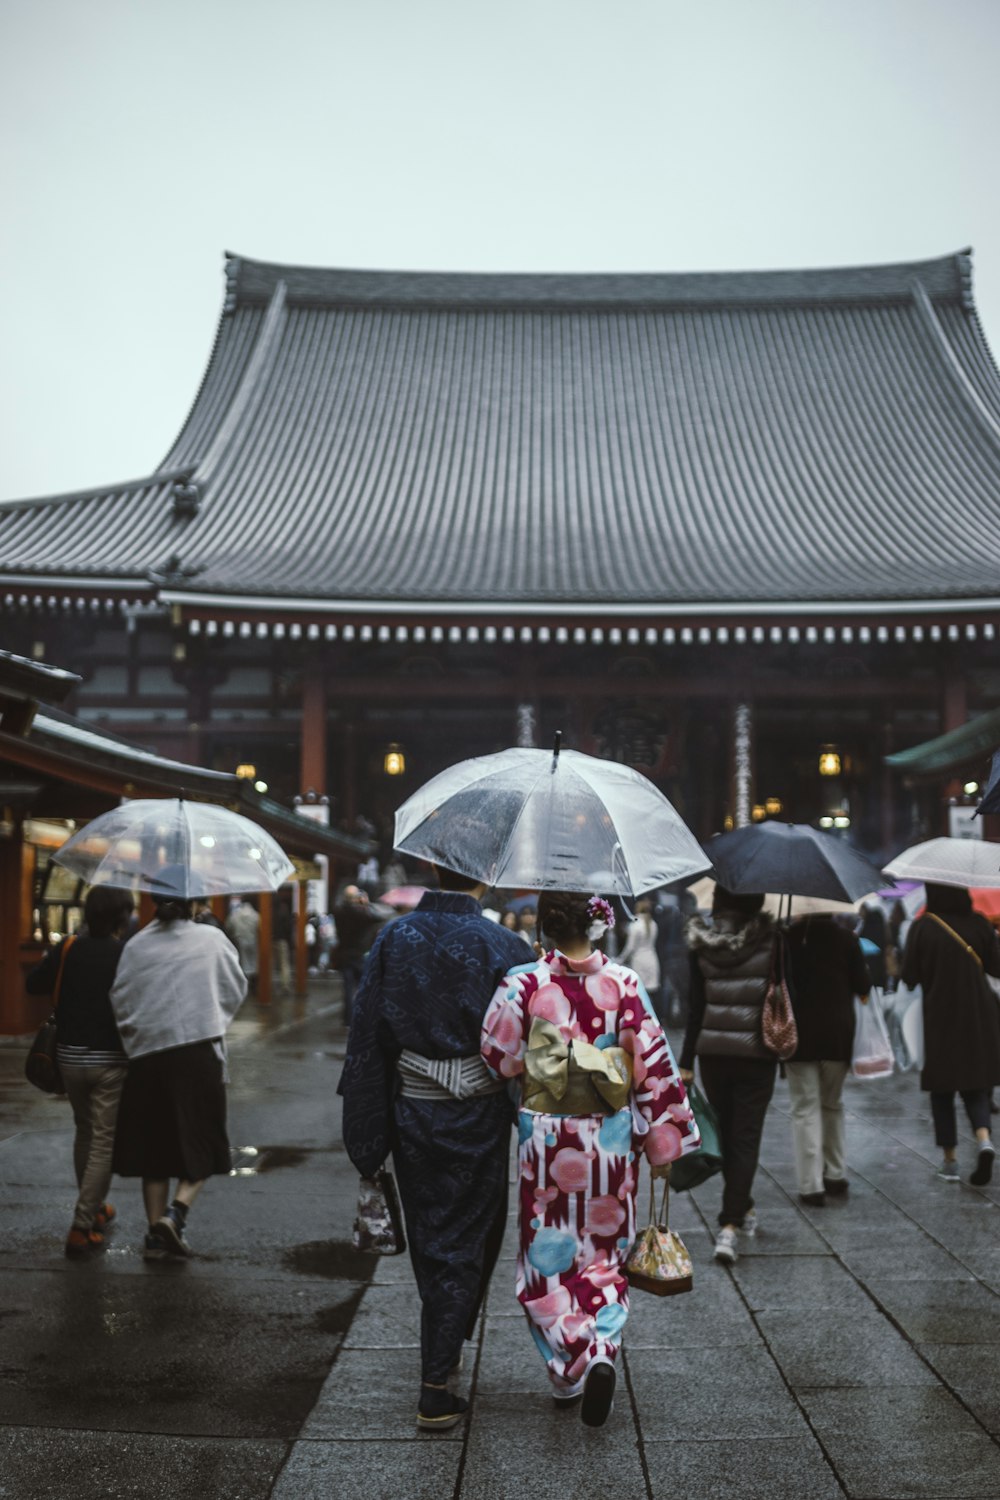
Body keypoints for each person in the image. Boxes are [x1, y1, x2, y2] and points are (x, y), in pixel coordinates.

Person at [480, 892, 700, 1428]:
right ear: (599, 922)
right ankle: (599, 1350)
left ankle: (570, 1360)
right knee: (602, 1255)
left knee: (544, 1260)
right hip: (610, 1139)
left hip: (548, 1142)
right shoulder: (625, 984)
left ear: (545, 926)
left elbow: (499, 1060)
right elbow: (652, 1063)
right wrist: (662, 1141)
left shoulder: (524, 982)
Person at [339, 862, 528, 1432]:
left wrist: (365, 1131)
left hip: (413, 1109)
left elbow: (366, 1031)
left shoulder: (392, 937)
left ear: (432, 872)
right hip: (479, 1111)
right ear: (484, 878)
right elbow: (531, 1036)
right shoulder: (507, 944)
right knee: (471, 1232)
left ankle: (442, 1348)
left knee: (430, 1234)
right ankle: (436, 1382)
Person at [110, 876, 248, 1260]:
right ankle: (176, 1213)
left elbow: (120, 995)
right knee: (202, 1138)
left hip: (148, 1054)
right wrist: (208, 1014)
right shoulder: (211, 940)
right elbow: (235, 987)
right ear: (195, 902)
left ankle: (155, 1232)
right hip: (196, 1051)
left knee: (154, 1148)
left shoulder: (136, 945)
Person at [27, 886, 135, 1259]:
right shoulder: (125, 955)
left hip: (69, 1057)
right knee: (103, 1139)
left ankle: (94, 1205)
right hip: (110, 1060)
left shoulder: (68, 947)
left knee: (85, 1131)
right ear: (122, 917)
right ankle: (82, 1224)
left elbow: (34, 984)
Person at [680, 885, 780, 1265]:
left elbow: (695, 1006)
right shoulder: (772, 941)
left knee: (725, 1134)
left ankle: (743, 1204)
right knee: (746, 1137)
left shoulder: (700, 941)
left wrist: (686, 1059)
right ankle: (730, 1225)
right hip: (757, 1053)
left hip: (713, 1055)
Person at [901, 882, 1000, 1185]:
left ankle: (950, 1161)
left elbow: (909, 977)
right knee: (975, 1081)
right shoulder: (979, 923)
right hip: (979, 1012)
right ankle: (983, 1139)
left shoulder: (923, 927)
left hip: (940, 1015)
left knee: (943, 1088)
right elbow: (996, 968)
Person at [784, 914, 871, 1204]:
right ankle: (835, 1173)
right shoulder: (847, 939)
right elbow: (863, 986)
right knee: (832, 1105)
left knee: (804, 1108)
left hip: (798, 1037)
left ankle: (810, 1185)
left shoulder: (787, 939)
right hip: (838, 1035)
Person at [334, 884, 383, 1022]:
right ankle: (363, 1015)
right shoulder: (361, 913)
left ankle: (347, 1018)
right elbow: (377, 917)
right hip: (360, 953)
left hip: (344, 953)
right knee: (364, 987)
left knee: (348, 987)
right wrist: (366, 904)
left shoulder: (339, 911)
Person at [617, 897, 662, 1018]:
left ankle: (641, 1020)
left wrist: (620, 959)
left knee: (640, 994)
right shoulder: (654, 924)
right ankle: (653, 1020)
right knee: (651, 994)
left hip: (639, 961)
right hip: (652, 959)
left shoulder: (635, 925)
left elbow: (630, 947)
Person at [226, 897, 260, 994]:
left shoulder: (235, 914)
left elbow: (229, 925)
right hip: (253, 940)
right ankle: (253, 982)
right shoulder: (256, 915)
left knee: (243, 961)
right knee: (253, 961)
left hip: (240, 940)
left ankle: (244, 982)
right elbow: (260, 927)